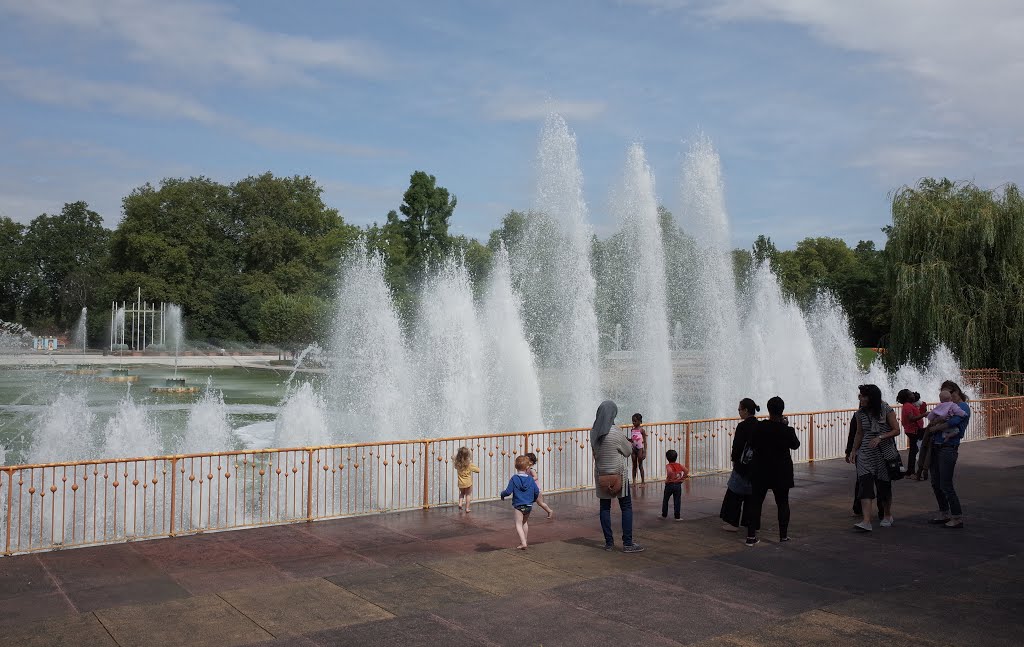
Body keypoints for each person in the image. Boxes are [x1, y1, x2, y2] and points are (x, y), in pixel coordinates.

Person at [744, 396, 800, 547]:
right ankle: (783, 536)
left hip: (760, 470)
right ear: (782, 411)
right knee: (782, 503)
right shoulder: (786, 430)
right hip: (781, 472)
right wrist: (786, 425)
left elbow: (751, 443)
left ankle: (751, 537)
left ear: (768, 410)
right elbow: (795, 445)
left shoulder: (759, 427)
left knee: (755, 503)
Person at [591, 400, 645, 553]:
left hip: (601, 475)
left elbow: (596, 451)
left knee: (604, 508)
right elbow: (628, 451)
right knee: (626, 507)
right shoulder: (616, 431)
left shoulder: (594, 432)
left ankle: (609, 543)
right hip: (619, 475)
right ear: (613, 414)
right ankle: (627, 543)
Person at [850, 384, 900, 532]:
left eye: (863, 396)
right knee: (865, 483)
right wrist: (854, 450)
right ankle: (866, 521)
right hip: (865, 452)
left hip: (884, 451)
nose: (860, 398)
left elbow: (896, 430)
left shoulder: (886, 409)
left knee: (884, 485)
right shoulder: (859, 414)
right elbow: (859, 433)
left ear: (871, 398)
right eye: (860, 395)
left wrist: (881, 437)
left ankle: (887, 514)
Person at [926, 380, 970, 529]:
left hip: (948, 447)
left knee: (945, 483)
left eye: (948, 393)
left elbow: (955, 422)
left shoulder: (962, 406)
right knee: (936, 482)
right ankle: (944, 512)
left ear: (955, 392)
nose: (945, 398)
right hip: (937, 446)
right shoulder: (947, 406)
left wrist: (935, 427)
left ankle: (957, 517)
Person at [720, 398, 759, 531]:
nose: (739, 412)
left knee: (734, 494)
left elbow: (737, 446)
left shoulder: (742, 426)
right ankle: (750, 523)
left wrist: (734, 460)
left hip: (742, 467)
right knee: (750, 497)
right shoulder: (758, 425)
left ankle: (732, 523)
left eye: (739, 410)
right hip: (755, 467)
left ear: (746, 410)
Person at [915, 388, 960, 480]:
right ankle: (924, 469)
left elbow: (931, 417)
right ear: (951, 398)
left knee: (924, 448)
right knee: (955, 431)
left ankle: (921, 470)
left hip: (931, 430)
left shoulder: (939, 406)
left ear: (940, 399)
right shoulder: (952, 406)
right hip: (939, 432)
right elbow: (957, 416)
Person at [500, 455, 541, 549]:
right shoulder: (531, 479)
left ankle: (523, 543)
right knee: (524, 522)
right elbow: (536, 491)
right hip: (529, 505)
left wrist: (502, 494)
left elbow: (508, 491)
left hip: (518, 505)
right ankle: (525, 540)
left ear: (515, 466)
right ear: (527, 467)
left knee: (518, 524)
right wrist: (533, 499)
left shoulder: (514, 478)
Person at [896, 389, 927, 478]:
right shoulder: (907, 406)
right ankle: (911, 471)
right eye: (910, 394)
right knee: (914, 450)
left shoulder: (909, 405)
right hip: (914, 430)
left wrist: (922, 411)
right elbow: (911, 418)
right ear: (907, 397)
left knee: (914, 450)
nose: (913, 395)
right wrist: (924, 415)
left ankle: (911, 471)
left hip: (914, 430)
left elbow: (916, 414)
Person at [525, 452, 554, 519]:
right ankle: (525, 514)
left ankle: (549, 511)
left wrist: (528, 479)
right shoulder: (525, 469)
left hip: (536, 490)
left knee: (540, 503)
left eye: (526, 460)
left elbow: (536, 477)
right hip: (531, 489)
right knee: (527, 501)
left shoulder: (531, 470)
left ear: (531, 462)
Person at [662, 449, 688, 520]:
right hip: (678, 485)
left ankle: (664, 515)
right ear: (676, 457)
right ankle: (677, 517)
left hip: (669, 485)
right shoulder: (679, 465)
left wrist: (667, 480)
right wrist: (683, 478)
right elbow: (686, 470)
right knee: (677, 500)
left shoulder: (668, 465)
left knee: (666, 500)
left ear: (667, 458)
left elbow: (670, 472)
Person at [454, 446, 480, 513]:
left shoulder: (457, 464)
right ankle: (467, 508)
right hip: (468, 483)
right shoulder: (469, 464)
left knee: (462, 493)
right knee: (468, 495)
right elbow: (478, 470)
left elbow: (455, 464)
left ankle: (460, 503)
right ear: (468, 455)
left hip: (460, 483)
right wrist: (474, 466)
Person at [629, 413, 648, 485]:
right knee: (634, 466)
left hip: (640, 449)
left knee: (640, 466)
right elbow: (632, 440)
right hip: (633, 450)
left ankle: (643, 482)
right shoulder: (632, 430)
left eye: (635, 421)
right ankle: (634, 481)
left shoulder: (642, 430)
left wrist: (645, 452)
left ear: (640, 421)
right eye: (632, 421)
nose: (633, 422)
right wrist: (627, 439)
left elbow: (645, 442)